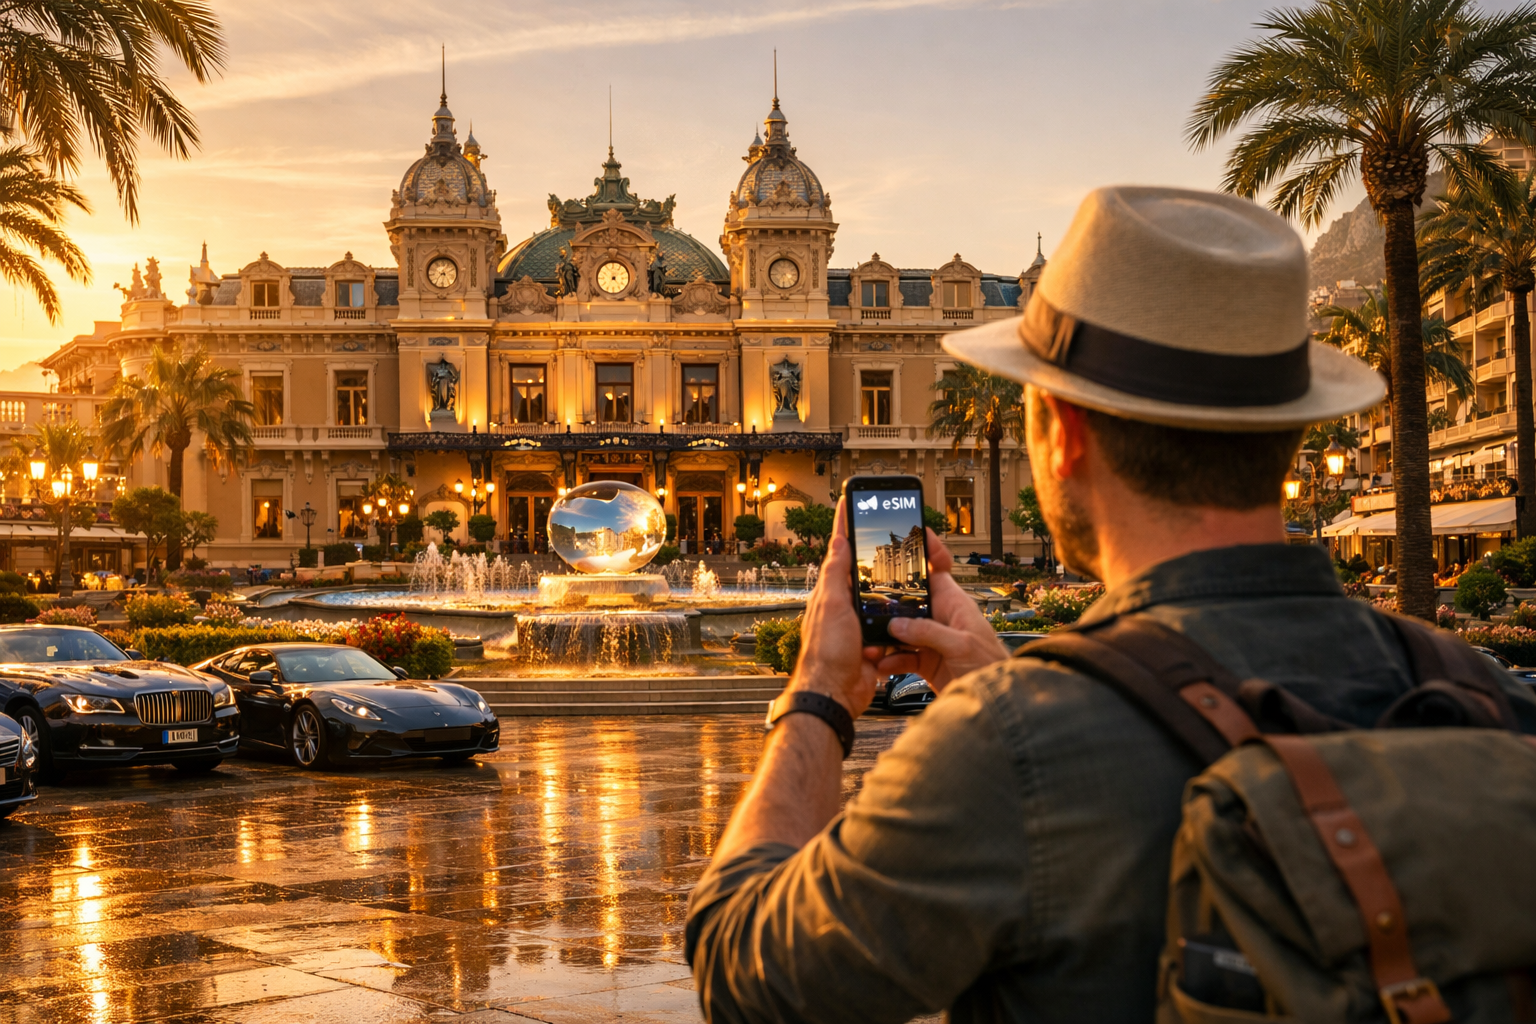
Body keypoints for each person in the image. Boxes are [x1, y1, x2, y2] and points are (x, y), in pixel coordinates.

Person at [684, 186, 1536, 1022]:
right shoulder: (1487, 694)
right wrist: (1002, 680)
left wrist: (816, 697)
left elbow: (748, 976)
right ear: (1293, 429)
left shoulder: (1009, 745)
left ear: (1061, 432)